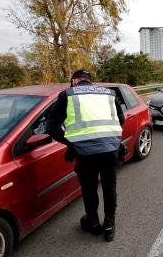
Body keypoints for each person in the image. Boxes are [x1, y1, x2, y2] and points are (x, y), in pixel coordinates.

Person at [46, 69, 125, 242]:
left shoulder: (68, 94)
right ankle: (110, 226)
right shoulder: (108, 93)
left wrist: (72, 144)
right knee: (109, 187)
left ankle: (94, 224)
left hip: (85, 154)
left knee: (89, 189)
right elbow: (121, 119)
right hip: (110, 149)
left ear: (74, 81)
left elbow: (51, 127)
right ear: (90, 81)